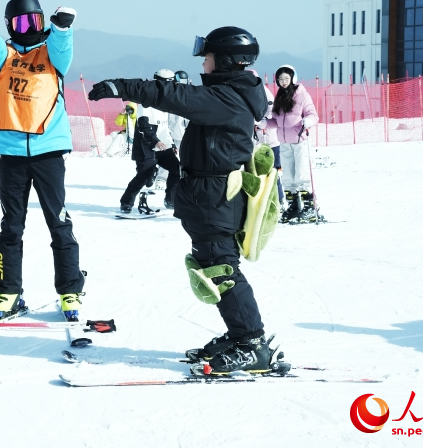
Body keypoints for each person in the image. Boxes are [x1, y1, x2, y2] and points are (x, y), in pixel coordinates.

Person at [89, 26, 281, 374]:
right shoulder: (231, 94)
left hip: (216, 196)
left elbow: (175, 96)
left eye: (207, 57)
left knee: (221, 269)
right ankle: (242, 334)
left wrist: (123, 87)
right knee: (213, 265)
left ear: (224, 61)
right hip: (209, 194)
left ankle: (252, 343)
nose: (203, 64)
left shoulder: (226, 98)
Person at [0, 0, 85, 322]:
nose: (28, 28)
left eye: (34, 21)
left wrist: (62, 29)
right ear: (10, 26)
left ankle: (70, 291)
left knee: (58, 223)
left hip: (48, 153)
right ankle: (8, 293)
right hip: (12, 155)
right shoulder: (4, 58)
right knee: (11, 227)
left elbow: (62, 48)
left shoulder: (52, 57)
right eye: (21, 23)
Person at [119, 69, 181, 212]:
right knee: (145, 175)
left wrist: (171, 144)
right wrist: (155, 141)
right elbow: (143, 126)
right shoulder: (146, 101)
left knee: (176, 169)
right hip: (147, 146)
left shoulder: (165, 102)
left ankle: (171, 200)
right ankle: (126, 203)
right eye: (171, 84)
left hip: (163, 146)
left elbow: (164, 127)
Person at [266, 65, 318, 223]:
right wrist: (263, 124)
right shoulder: (280, 97)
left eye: (286, 78)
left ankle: (310, 208)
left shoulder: (302, 95)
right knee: (288, 177)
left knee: (301, 175)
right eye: (280, 79)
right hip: (284, 142)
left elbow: (313, 115)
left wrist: (307, 121)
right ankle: (294, 207)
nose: (283, 82)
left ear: (293, 78)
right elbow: (276, 121)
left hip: (300, 141)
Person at [255, 84, 285, 210]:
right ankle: (263, 201)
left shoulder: (264, 92)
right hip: (256, 142)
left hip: (271, 141)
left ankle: (279, 199)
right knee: (258, 173)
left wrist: (261, 121)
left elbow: (272, 111)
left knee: (273, 172)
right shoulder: (246, 91)